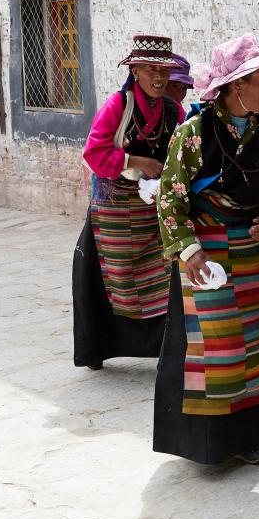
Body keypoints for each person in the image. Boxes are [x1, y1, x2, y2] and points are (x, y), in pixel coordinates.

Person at [153, 34, 259, 465]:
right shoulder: (194, 134)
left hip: (254, 259)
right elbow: (170, 198)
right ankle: (212, 444)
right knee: (218, 352)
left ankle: (252, 438)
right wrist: (189, 250)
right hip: (209, 257)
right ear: (237, 85)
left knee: (258, 347)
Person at [73, 35, 185, 370]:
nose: (159, 77)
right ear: (134, 70)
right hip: (116, 208)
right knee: (117, 275)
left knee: (164, 273)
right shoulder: (118, 106)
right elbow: (93, 153)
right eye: (151, 69)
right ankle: (104, 344)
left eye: (163, 70)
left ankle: (165, 345)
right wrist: (133, 162)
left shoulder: (172, 110)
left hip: (154, 207)